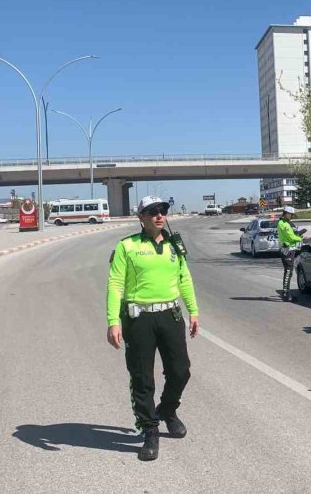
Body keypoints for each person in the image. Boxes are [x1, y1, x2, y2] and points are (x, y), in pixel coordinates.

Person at [106, 196, 200, 461]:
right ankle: (150, 430)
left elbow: (184, 279)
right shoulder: (127, 247)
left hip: (170, 316)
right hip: (139, 320)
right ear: (141, 217)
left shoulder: (174, 246)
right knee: (142, 378)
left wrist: (193, 311)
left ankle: (167, 410)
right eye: (152, 212)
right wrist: (113, 321)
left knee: (180, 371)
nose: (160, 215)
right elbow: (115, 284)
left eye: (163, 211)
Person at [277, 206, 306, 301]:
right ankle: (285, 293)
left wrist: (297, 233)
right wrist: (300, 238)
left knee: (288, 271)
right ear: (286, 214)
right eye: (291, 215)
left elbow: (291, 235)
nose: (292, 217)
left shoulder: (285, 223)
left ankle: (286, 292)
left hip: (288, 249)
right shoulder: (284, 224)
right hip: (287, 250)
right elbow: (290, 237)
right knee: (288, 271)